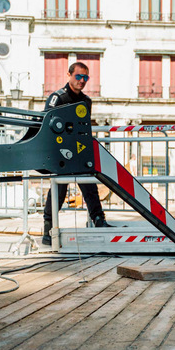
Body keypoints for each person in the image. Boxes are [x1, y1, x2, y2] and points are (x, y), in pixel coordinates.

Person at [42, 62, 110, 246]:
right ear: (69, 75)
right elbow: (46, 124)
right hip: (60, 151)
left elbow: (84, 128)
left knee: (90, 185)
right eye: (78, 77)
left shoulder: (86, 101)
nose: (82, 81)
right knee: (59, 189)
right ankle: (48, 229)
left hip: (79, 151)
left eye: (85, 78)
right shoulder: (57, 98)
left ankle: (99, 219)